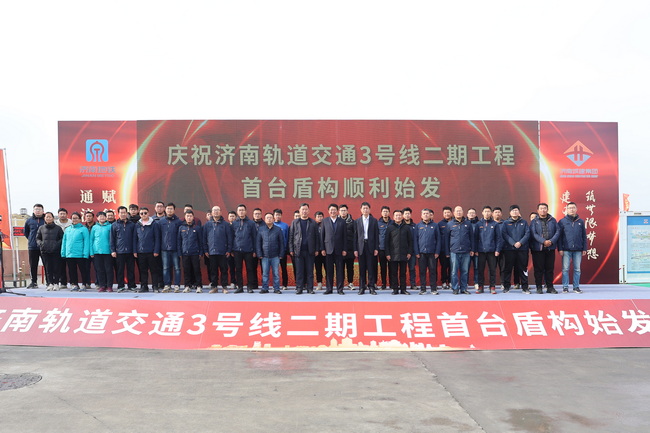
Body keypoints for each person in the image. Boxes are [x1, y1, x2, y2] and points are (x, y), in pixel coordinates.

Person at [289, 203, 321, 294]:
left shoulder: (313, 222)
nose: (304, 211)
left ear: (309, 211)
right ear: (299, 211)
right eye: (302, 209)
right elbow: (291, 237)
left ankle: (310, 288)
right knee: (299, 271)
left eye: (306, 209)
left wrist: (317, 249)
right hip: (298, 250)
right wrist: (291, 249)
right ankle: (299, 288)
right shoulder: (295, 222)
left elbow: (317, 237)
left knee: (310, 271)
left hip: (310, 250)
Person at [529, 203, 560, 294]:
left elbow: (558, 231)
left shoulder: (553, 220)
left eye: (544, 208)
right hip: (538, 249)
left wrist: (551, 241)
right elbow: (533, 233)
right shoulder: (534, 221)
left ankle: (550, 287)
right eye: (541, 208)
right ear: (538, 210)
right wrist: (543, 241)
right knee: (538, 269)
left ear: (547, 209)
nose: (543, 210)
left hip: (550, 248)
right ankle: (539, 287)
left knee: (549, 269)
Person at [443, 206, 474, 295]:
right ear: (454, 213)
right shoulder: (450, 224)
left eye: (460, 211)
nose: (459, 213)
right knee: (454, 271)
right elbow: (446, 239)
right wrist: (447, 252)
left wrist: (472, 249)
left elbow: (471, 237)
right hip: (454, 251)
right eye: (457, 211)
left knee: (465, 271)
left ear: (463, 212)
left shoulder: (468, 224)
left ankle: (463, 288)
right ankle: (455, 288)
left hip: (466, 251)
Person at [558, 202, 587, 294]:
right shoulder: (562, 221)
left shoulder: (580, 221)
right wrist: (560, 248)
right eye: (570, 208)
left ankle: (576, 287)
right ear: (566, 209)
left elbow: (584, 236)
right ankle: (565, 287)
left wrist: (584, 248)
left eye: (573, 208)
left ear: (576, 209)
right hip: (566, 249)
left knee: (577, 269)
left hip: (578, 249)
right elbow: (559, 237)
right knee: (565, 269)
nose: (572, 209)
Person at [501, 205, 531, 294]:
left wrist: (520, 243)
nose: (515, 212)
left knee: (523, 268)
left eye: (516, 210)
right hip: (509, 249)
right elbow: (504, 234)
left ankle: (525, 287)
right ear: (510, 213)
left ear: (519, 212)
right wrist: (513, 243)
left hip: (522, 249)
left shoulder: (524, 222)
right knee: (508, 268)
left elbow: (527, 233)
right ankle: (506, 287)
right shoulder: (506, 223)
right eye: (513, 210)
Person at [203, 205, 233, 294]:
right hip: (211, 251)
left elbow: (229, 238)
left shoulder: (226, 224)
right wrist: (205, 250)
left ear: (221, 212)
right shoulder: (207, 225)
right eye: (214, 210)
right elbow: (204, 238)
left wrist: (229, 250)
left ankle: (224, 286)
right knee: (213, 270)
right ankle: (214, 286)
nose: (216, 212)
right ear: (212, 213)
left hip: (223, 251)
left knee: (224, 270)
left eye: (217, 210)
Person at [322, 203, 348, 295]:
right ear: (328, 211)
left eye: (334, 210)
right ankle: (329, 289)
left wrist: (345, 249)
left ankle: (340, 289)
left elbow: (345, 237)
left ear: (337, 211)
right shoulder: (324, 221)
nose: (332, 211)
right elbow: (322, 236)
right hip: (328, 249)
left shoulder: (342, 222)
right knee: (329, 271)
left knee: (340, 270)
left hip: (339, 249)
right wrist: (322, 249)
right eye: (331, 210)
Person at [133, 207, 161, 293]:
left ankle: (155, 286)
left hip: (152, 252)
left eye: (145, 213)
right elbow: (135, 239)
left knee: (154, 270)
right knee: (143, 270)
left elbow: (157, 238)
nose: (143, 215)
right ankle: (144, 286)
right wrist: (135, 251)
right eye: (141, 213)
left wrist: (156, 250)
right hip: (141, 252)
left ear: (148, 213)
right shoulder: (137, 225)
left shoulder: (154, 224)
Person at [61, 212, 91, 291]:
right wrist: (63, 252)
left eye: (76, 218)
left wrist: (85, 253)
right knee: (72, 271)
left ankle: (84, 284)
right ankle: (74, 284)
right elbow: (64, 241)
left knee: (83, 270)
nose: (74, 220)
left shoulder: (83, 229)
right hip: (69, 254)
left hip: (80, 254)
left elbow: (86, 242)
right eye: (73, 218)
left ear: (80, 219)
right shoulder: (68, 229)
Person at [385, 209, 412, 295]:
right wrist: (387, 253)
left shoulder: (406, 227)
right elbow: (386, 242)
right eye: (396, 215)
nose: (398, 217)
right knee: (394, 273)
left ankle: (403, 289)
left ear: (402, 216)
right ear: (393, 217)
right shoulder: (390, 227)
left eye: (400, 215)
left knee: (403, 273)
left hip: (404, 254)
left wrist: (409, 252)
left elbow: (410, 241)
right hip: (393, 254)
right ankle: (395, 289)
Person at [354, 202, 379, 295]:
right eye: (363, 208)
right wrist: (355, 249)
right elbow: (355, 237)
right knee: (362, 268)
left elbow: (376, 235)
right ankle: (362, 287)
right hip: (361, 247)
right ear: (361, 210)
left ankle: (371, 287)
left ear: (369, 209)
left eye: (367, 208)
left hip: (370, 246)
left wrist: (376, 248)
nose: (365, 210)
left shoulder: (374, 221)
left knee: (371, 268)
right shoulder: (357, 221)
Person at [475, 206, 501, 294]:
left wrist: (497, 250)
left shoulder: (495, 224)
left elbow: (498, 238)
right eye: (485, 211)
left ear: (491, 213)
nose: (487, 213)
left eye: (488, 211)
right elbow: (475, 238)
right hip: (481, 251)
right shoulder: (478, 224)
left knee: (492, 270)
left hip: (492, 251)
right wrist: (475, 250)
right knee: (480, 270)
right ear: (482, 213)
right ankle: (480, 286)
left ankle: (492, 286)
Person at [257, 212, 285, 294]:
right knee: (265, 273)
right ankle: (265, 288)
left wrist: (281, 254)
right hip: (264, 256)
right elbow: (258, 243)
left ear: (273, 219)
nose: (269, 219)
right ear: (265, 219)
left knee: (276, 273)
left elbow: (281, 243)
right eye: (267, 218)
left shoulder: (278, 229)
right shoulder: (261, 229)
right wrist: (259, 254)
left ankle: (276, 288)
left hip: (275, 255)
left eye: (270, 218)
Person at [415, 208, 441, 295]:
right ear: (421, 215)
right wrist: (417, 252)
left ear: (430, 215)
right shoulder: (418, 226)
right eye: (424, 213)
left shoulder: (435, 225)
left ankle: (433, 289)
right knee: (422, 271)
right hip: (421, 253)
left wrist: (437, 252)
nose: (426, 215)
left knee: (433, 271)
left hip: (432, 253)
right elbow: (415, 240)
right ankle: (423, 289)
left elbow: (438, 239)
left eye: (427, 213)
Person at [233, 204, 258, 293]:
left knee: (250, 269)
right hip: (237, 250)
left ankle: (249, 286)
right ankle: (240, 287)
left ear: (246, 211)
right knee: (238, 269)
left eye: (243, 210)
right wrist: (232, 249)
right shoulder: (234, 223)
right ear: (237, 212)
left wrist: (255, 250)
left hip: (249, 250)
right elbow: (232, 237)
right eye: (239, 210)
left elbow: (254, 237)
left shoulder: (251, 223)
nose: (241, 212)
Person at [111, 206, 137, 292]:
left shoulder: (132, 225)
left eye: (124, 212)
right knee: (120, 270)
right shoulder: (114, 225)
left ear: (127, 213)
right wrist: (113, 250)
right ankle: (120, 286)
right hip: (119, 251)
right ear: (118, 214)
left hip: (130, 251)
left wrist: (134, 250)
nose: (123, 214)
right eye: (121, 213)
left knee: (131, 270)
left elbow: (135, 239)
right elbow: (112, 239)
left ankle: (131, 285)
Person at [36, 212, 63, 291]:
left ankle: (56, 283)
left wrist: (56, 245)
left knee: (56, 268)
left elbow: (62, 238)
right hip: (45, 251)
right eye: (46, 217)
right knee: (48, 268)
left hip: (56, 251)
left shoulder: (58, 228)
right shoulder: (41, 228)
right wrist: (41, 244)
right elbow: (38, 238)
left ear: (53, 218)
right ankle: (49, 283)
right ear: (44, 218)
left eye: (50, 217)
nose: (48, 218)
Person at [177, 210, 203, 293]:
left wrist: (200, 252)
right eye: (187, 216)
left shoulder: (197, 228)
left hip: (195, 252)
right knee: (186, 270)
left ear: (193, 217)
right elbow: (179, 241)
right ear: (185, 217)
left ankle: (199, 286)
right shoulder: (181, 228)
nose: (189, 217)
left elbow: (200, 241)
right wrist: (180, 252)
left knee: (196, 270)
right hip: (185, 253)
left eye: (190, 216)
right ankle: (187, 286)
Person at [159, 203, 183, 292]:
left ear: (174, 210)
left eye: (171, 209)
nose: (169, 210)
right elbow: (158, 236)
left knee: (177, 268)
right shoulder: (161, 221)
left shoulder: (179, 222)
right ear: (165, 210)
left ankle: (177, 285)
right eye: (168, 208)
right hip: (164, 249)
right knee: (165, 268)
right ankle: (167, 285)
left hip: (175, 248)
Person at [90, 211, 114, 292]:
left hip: (108, 252)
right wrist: (91, 252)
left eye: (103, 216)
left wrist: (112, 250)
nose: (102, 218)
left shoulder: (110, 226)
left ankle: (109, 286)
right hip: (97, 252)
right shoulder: (94, 227)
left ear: (106, 218)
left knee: (109, 269)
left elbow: (112, 239)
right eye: (100, 216)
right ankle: (102, 285)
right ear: (97, 218)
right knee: (99, 270)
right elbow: (91, 240)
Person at [24, 203, 45, 288]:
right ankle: (34, 282)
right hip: (32, 246)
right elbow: (26, 233)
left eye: (39, 209)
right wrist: (31, 240)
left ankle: (49, 282)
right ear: (33, 210)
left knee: (47, 264)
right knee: (33, 265)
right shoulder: (29, 220)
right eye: (36, 209)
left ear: (43, 211)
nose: (38, 211)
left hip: (44, 246)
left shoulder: (46, 220)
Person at [339, 204, 356, 290]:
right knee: (340, 267)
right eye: (341, 210)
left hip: (350, 248)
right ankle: (341, 284)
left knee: (350, 267)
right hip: (339, 249)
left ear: (347, 211)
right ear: (339, 212)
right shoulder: (336, 222)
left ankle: (350, 283)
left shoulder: (353, 222)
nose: (343, 212)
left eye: (344, 210)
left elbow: (355, 236)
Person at [55, 207, 72, 288]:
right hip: (59, 247)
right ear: (58, 215)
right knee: (61, 266)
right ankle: (63, 283)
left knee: (71, 266)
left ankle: (73, 282)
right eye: (61, 214)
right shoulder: (55, 224)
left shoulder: (71, 223)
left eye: (64, 214)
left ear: (67, 215)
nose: (62, 215)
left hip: (70, 247)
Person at [273, 209, 290, 291]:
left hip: (283, 250)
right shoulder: (271, 225)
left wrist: (286, 249)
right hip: (273, 251)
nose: (278, 216)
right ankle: (275, 284)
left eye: (279, 215)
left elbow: (287, 238)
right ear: (273, 216)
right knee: (274, 269)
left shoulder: (285, 226)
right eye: (276, 215)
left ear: (281, 216)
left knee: (283, 268)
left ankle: (284, 284)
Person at [402, 207, 418, 291]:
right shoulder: (400, 226)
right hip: (402, 252)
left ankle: (413, 284)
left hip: (412, 252)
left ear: (411, 215)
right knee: (403, 270)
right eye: (405, 214)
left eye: (408, 214)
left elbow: (416, 239)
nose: (407, 215)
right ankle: (403, 285)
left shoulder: (415, 226)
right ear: (403, 215)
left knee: (412, 268)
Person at [437, 206, 453, 290]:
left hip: (453, 249)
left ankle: (450, 282)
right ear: (443, 214)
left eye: (448, 212)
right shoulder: (440, 224)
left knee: (452, 267)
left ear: (451, 213)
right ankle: (443, 282)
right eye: (445, 213)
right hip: (443, 250)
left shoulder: (454, 222)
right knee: (444, 266)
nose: (447, 214)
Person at [377, 206, 392, 290]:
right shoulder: (378, 223)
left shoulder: (393, 223)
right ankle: (383, 284)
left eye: (386, 211)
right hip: (382, 248)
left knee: (392, 267)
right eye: (384, 211)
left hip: (391, 249)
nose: (385, 213)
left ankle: (392, 284)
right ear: (381, 213)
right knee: (383, 267)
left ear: (389, 213)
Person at [467, 207, 480, 290]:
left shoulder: (479, 224)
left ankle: (476, 282)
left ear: (475, 214)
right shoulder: (464, 223)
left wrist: (476, 249)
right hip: (467, 250)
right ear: (467, 214)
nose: (471, 214)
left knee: (477, 267)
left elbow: (480, 238)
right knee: (466, 268)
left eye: (473, 213)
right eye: (470, 213)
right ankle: (465, 283)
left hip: (477, 250)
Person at [314, 211, 325, 290]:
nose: (320, 218)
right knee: (318, 268)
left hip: (325, 251)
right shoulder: (313, 226)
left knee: (328, 268)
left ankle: (329, 283)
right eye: (318, 217)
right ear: (315, 218)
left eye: (321, 216)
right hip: (317, 251)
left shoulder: (326, 225)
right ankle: (319, 283)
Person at [227, 211, 238, 289]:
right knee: (231, 267)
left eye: (233, 216)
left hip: (237, 249)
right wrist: (229, 250)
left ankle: (238, 282)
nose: (232, 218)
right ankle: (233, 282)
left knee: (238, 267)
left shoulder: (238, 225)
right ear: (228, 218)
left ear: (236, 217)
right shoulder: (226, 226)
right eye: (230, 216)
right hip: (228, 250)